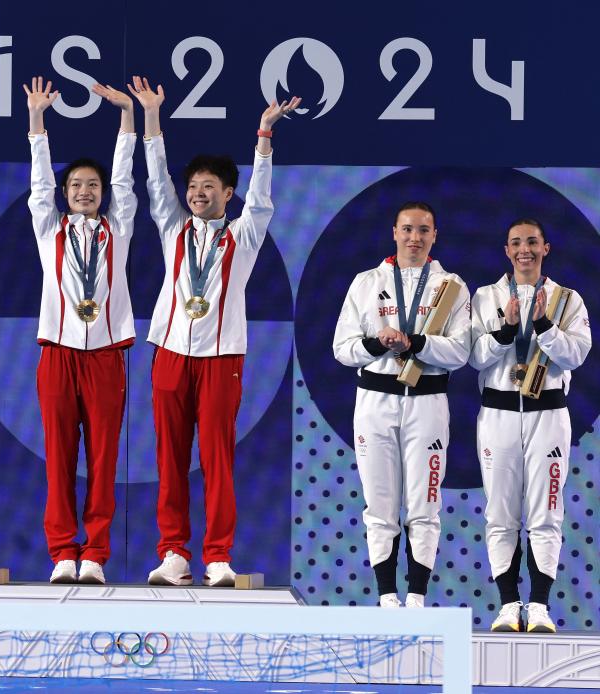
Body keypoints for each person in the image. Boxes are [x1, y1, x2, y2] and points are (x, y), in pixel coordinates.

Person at [128, 76, 300, 587]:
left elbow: (261, 200)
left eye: (209, 187)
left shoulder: (243, 236)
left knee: (217, 459)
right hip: (170, 355)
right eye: (193, 187)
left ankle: (218, 555)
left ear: (228, 193)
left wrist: (264, 136)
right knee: (170, 458)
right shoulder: (172, 228)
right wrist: (152, 116)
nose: (197, 194)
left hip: (222, 358)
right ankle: (173, 553)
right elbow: (156, 178)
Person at [23, 77, 137, 585]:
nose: (84, 192)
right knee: (59, 459)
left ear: (102, 194)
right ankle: (62, 553)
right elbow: (38, 183)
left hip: (106, 356)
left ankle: (95, 554)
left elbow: (126, 179)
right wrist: (37, 120)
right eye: (76, 186)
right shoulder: (49, 229)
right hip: (58, 354)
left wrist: (127, 116)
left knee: (104, 460)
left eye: (92, 186)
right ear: (64, 195)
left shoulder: (120, 228)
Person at [333, 202, 471, 607]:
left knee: (425, 504)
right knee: (380, 504)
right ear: (394, 232)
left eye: (423, 230)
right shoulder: (366, 282)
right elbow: (342, 349)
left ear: (435, 236)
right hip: (375, 402)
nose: (415, 238)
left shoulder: (451, 286)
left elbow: (460, 351)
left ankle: (417, 598)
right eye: (408, 229)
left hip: (427, 403)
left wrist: (418, 343)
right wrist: (378, 343)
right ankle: (387, 596)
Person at [470, 219, 590, 632]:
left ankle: (538, 606)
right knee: (500, 514)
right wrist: (506, 330)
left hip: (548, 415)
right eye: (517, 243)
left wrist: (543, 326)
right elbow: (473, 356)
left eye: (533, 242)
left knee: (546, 512)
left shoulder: (567, 300)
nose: (525, 250)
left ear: (546, 248)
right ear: (506, 250)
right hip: (498, 414)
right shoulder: (485, 297)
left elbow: (576, 355)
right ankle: (508, 605)